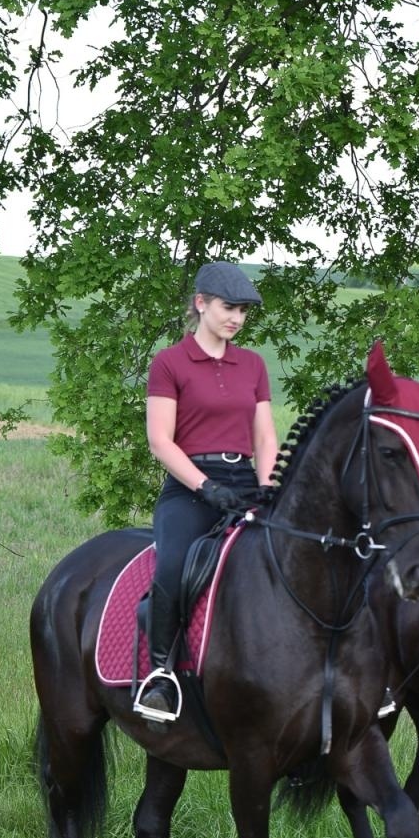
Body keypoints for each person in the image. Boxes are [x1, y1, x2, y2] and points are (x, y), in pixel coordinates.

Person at [134, 262, 279, 724]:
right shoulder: (169, 362)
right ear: (201, 303)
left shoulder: (253, 364)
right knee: (174, 565)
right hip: (189, 490)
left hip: (245, 485)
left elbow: (265, 438)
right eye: (228, 307)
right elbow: (160, 441)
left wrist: (267, 488)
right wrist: (205, 486)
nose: (237, 318)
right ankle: (160, 675)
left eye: (243, 311)